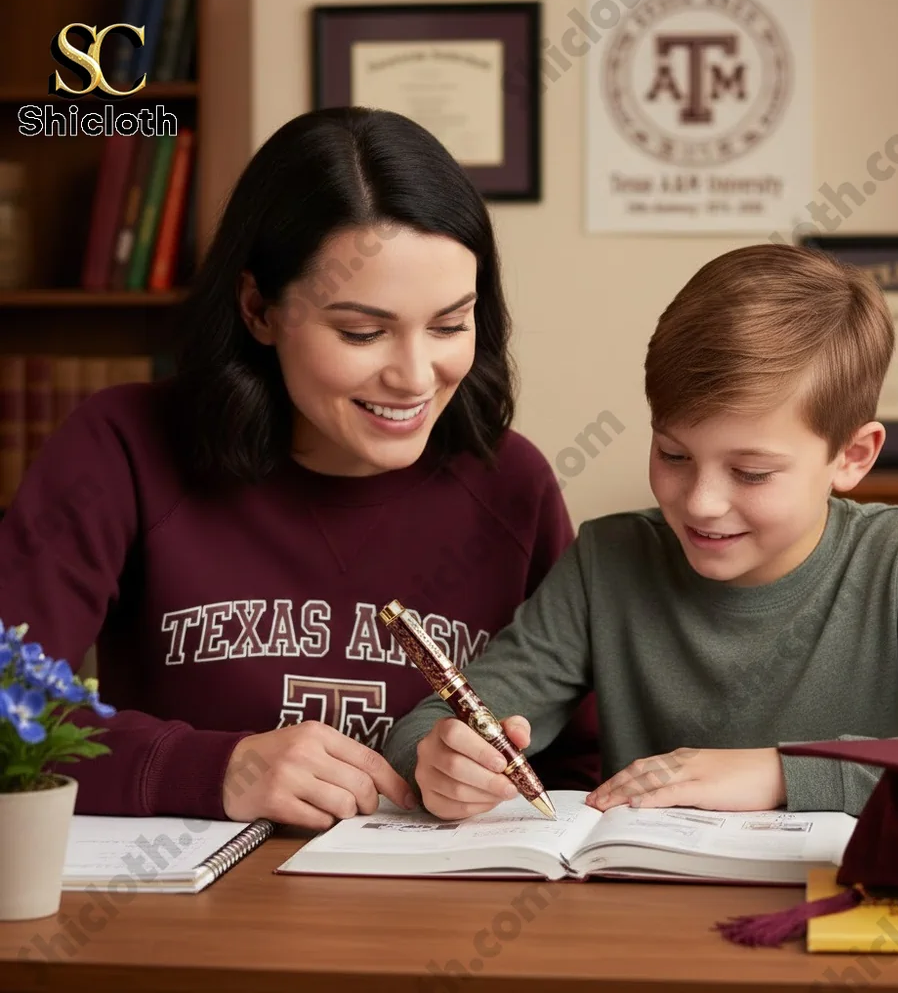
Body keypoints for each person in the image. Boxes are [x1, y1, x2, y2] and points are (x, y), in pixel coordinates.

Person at [0, 106, 600, 830]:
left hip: (435, 918)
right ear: (258, 308)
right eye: (362, 331)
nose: (415, 376)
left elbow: (577, 767)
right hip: (184, 922)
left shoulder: (515, 484)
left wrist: (486, 778)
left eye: (449, 325)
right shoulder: (122, 445)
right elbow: (10, 719)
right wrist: (214, 769)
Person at [382, 242, 898, 822]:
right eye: (673, 455)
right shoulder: (608, 561)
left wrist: (780, 774)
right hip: (649, 915)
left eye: (751, 472)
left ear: (852, 457)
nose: (701, 504)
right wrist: (440, 762)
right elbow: (433, 723)